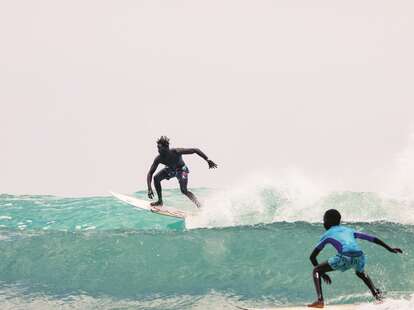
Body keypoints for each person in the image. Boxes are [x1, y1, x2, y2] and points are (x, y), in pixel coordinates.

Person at [308, 209, 403, 308]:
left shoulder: (327, 234)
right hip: (360, 256)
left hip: (345, 256)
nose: (323, 223)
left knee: (316, 270)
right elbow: (373, 238)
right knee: (361, 273)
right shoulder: (349, 230)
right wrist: (390, 248)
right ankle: (377, 295)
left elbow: (312, 257)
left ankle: (320, 300)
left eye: (324, 220)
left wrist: (322, 274)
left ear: (327, 221)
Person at [146, 136, 217, 208]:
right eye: (157, 148)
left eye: (160, 148)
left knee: (184, 190)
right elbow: (150, 173)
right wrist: (149, 188)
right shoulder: (159, 158)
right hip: (170, 170)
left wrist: (207, 160)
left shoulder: (176, 151)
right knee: (156, 178)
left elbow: (195, 150)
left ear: (166, 147)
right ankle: (160, 201)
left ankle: (199, 205)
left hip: (182, 170)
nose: (158, 150)